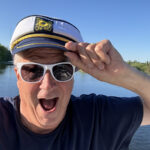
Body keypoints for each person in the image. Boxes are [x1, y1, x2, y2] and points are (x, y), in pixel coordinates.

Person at [0, 15, 150, 150]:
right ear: (18, 76)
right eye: (32, 70)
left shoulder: (97, 118)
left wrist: (125, 74)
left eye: (62, 70)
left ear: (72, 75)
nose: (47, 85)